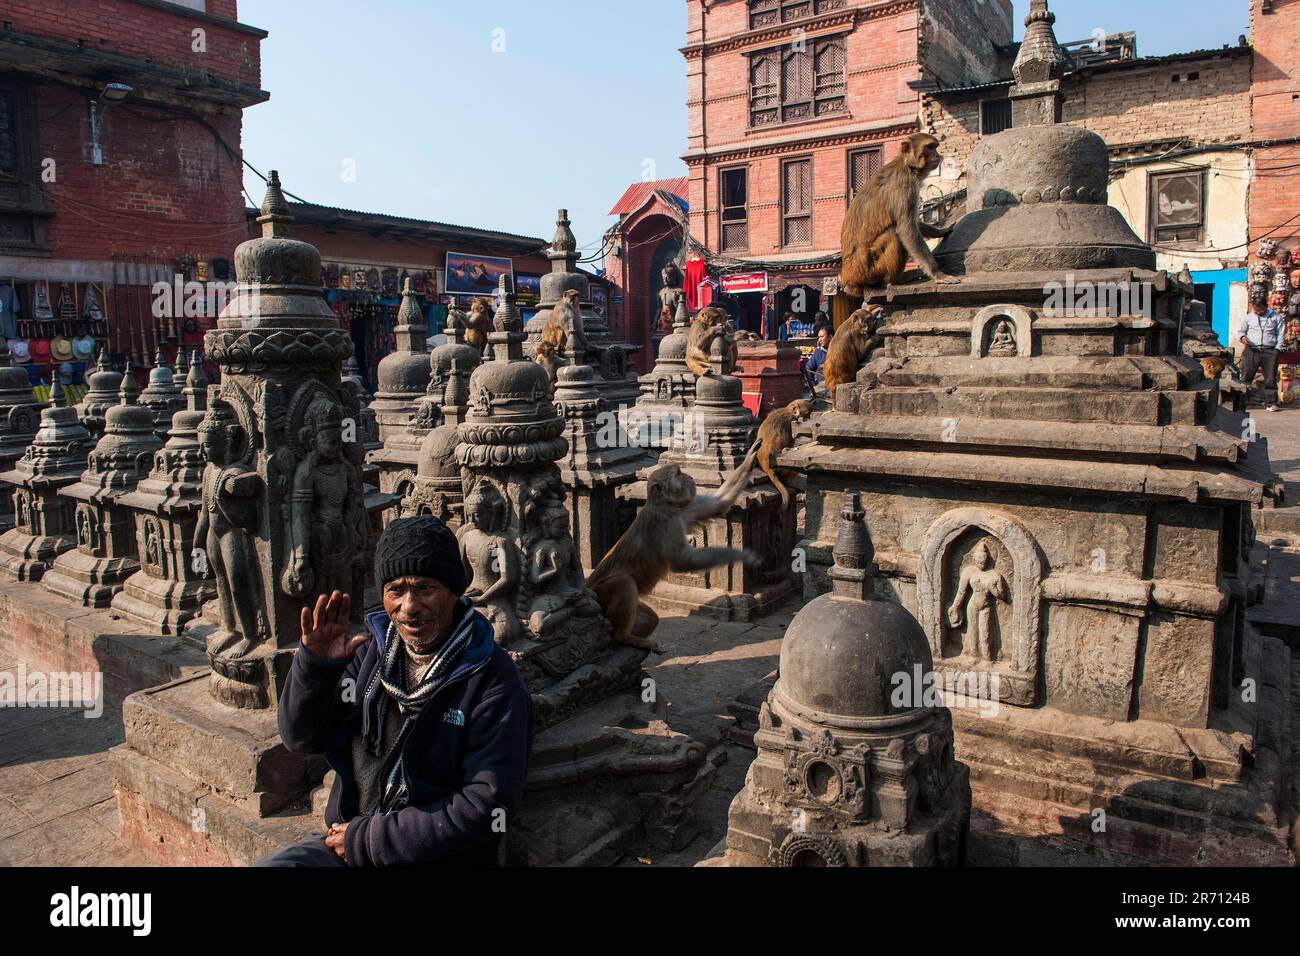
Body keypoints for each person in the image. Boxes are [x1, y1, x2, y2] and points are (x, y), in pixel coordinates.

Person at [258, 515, 533, 867]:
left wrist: (371, 839)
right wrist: (315, 670)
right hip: (351, 841)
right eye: (396, 590)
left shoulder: (490, 680)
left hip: (432, 854)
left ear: (454, 591)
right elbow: (302, 739)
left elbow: (487, 806)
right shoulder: (371, 656)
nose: (409, 606)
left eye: (424, 588)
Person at [1240, 295, 1285, 412]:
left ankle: (1271, 403)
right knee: (1246, 376)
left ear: (1266, 306)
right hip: (1252, 350)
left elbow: (1280, 333)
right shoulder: (1248, 317)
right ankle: (1241, 402)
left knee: (1270, 378)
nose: (1258, 312)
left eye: (1261, 310)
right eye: (1256, 310)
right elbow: (1241, 331)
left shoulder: (1275, 317)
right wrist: (1243, 337)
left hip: (1270, 351)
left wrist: (1277, 349)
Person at [804, 325, 831, 393]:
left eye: (822, 337)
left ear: (830, 337)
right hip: (822, 389)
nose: (819, 340)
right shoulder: (818, 352)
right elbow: (808, 369)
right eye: (819, 337)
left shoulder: (838, 351)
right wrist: (813, 386)